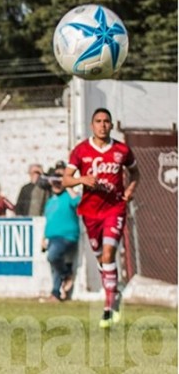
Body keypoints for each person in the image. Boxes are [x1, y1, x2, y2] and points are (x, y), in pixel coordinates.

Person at [63, 108, 138, 328]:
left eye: (106, 121)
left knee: (108, 254)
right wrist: (82, 180)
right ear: (92, 125)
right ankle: (114, 292)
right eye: (98, 121)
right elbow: (66, 180)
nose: (102, 125)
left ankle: (108, 306)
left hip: (114, 208)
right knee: (101, 260)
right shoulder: (81, 150)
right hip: (90, 212)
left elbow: (136, 172)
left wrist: (130, 189)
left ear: (111, 125)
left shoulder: (122, 150)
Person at [42, 164, 80, 302]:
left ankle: (67, 274)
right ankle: (55, 293)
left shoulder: (68, 196)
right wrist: (44, 238)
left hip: (67, 236)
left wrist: (68, 184)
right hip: (52, 237)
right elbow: (48, 220)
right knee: (54, 266)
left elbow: (78, 203)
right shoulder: (50, 201)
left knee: (53, 257)